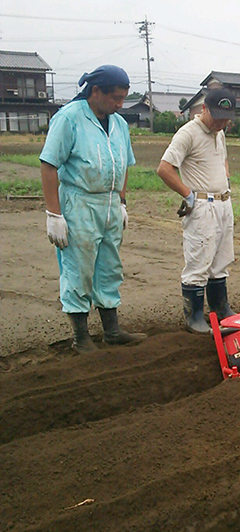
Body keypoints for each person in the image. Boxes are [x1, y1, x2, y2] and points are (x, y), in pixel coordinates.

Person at [40, 64, 145, 353]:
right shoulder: (69, 119)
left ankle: (112, 330)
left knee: (110, 266)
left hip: (109, 203)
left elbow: (125, 166)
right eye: (116, 98)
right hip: (79, 202)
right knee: (79, 268)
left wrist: (121, 201)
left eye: (123, 98)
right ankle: (81, 336)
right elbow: (49, 164)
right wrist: (54, 214)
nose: (120, 104)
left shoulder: (120, 124)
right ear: (95, 91)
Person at [157, 87, 236, 333]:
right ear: (203, 109)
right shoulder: (188, 134)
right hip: (202, 205)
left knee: (220, 260)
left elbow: (222, 158)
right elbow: (165, 168)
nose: (221, 123)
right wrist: (187, 194)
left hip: (223, 203)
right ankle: (194, 317)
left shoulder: (219, 133)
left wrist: (225, 177)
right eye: (217, 117)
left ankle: (220, 308)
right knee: (199, 261)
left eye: (226, 118)